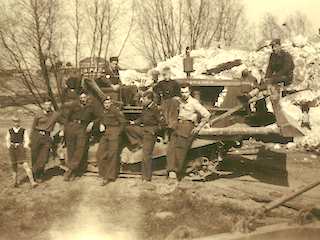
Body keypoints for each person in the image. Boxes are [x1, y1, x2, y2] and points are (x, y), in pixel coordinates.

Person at [167, 82, 211, 181]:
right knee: (171, 147)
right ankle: (170, 170)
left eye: (186, 92)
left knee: (180, 149)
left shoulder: (194, 102)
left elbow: (207, 115)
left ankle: (175, 171)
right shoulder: (179, 101)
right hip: (178, 124)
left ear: (189, 92)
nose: (184, 94)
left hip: (188, 125)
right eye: (182, 92)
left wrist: (198, 127)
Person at [126, 91, 164, 182]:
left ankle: (146, 177)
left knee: (146, 155)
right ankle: (138, 143)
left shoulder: (156, 109)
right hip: (144, 130)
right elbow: (142, 119)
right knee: (128, 128)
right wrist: (134, 122)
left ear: (150, 99)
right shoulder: (145, 107)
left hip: (150, 133)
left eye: (144, 98)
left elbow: (162, 123)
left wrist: (154, 131)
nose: (141, 100)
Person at [63, 92, 98, 181]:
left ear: (88, 98)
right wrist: (65, 129)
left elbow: (99, 117)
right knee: (71, 149)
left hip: (82, 128)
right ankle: (73, 172)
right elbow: (67, 118)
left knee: (80, 148)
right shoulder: (74, 105)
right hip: (71, 127)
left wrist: (92, 123)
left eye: (84, 97)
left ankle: (70, 169)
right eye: (81, 97)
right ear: (79, 98)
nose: (83, 99)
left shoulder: (91, 107)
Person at [96, 96, 126, 186]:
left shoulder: (115, 111)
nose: (107, 105)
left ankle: (109, 176)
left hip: (114, 131)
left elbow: (123, 122)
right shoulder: (103, 111)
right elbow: (101, 118)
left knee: (112, 154)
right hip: (106, 133)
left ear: (111, 103)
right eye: (105, 103)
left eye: (108, 103)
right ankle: (103, 173)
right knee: (100, 153)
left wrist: (117, 133)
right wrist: (101, 124)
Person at [30, 101, 60, 182]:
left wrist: (59, 131)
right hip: (37, 135)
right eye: (46, 104)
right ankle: (36, 175)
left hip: (47, 137)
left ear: (51, 105)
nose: (48, 106)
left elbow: (63, 122)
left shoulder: (55, 114)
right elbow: (33, 127)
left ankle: (37, 171)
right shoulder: (38, 114)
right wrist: (30, 138)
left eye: (49, 104)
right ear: (43, 105)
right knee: (35, 155)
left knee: (44, 156)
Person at [6, 116, 38, 188]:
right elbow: (7, 139)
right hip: (12, 149)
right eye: (14, 121)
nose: (16, 123)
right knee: (14, 166)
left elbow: (27, 139)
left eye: (17, 121)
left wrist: (24, 146)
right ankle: (15, 182)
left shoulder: (23, 130)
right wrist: (9, 146)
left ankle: (32, 182)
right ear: (12, 122)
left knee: (25, 165)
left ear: (19, 122)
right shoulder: (10, 130)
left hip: (20, 148)